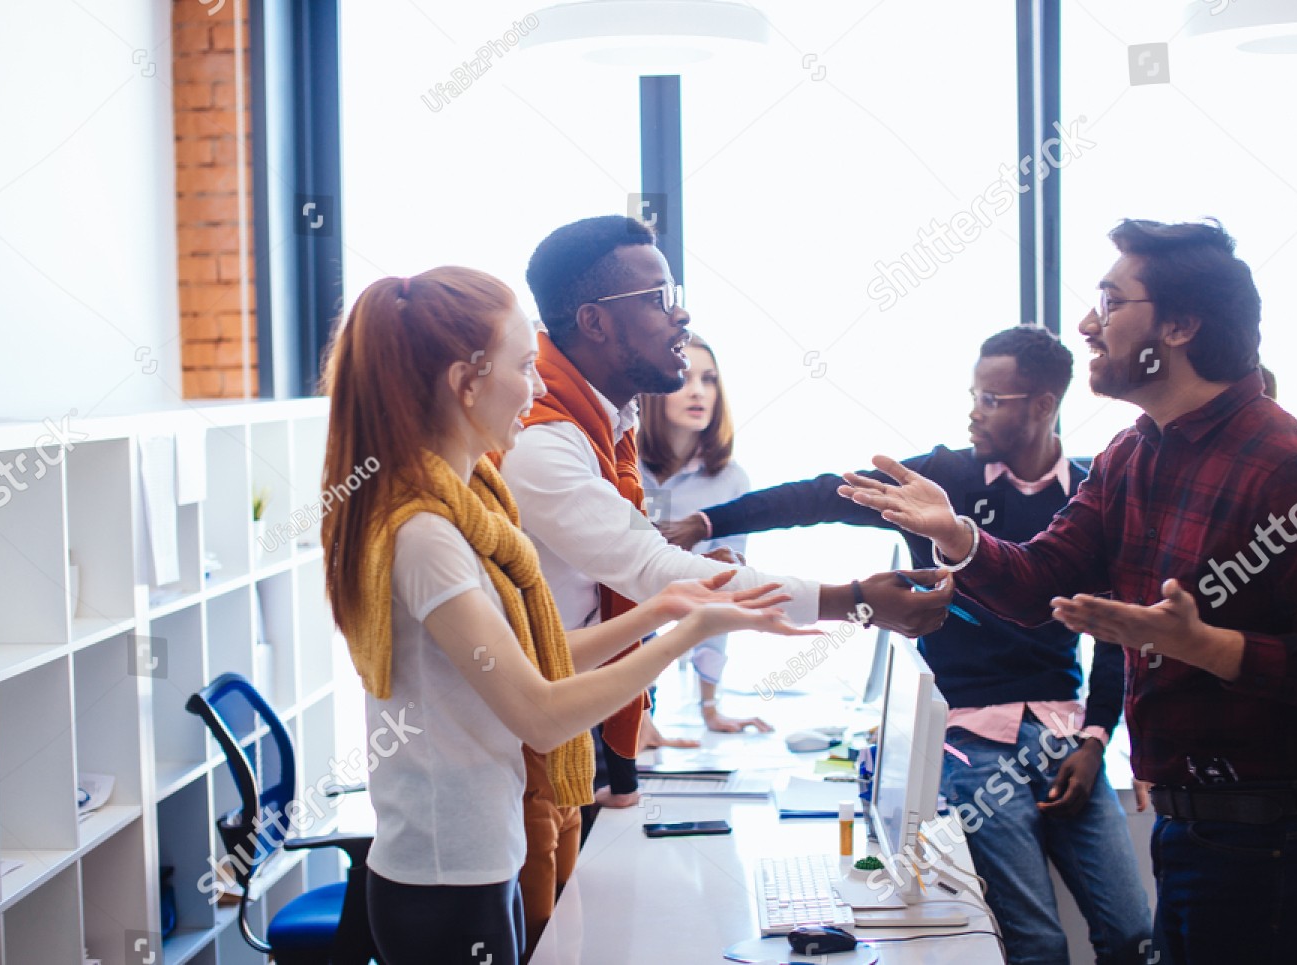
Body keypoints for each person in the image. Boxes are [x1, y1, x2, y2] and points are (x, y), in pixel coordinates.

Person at [839, 219, 1297, 965]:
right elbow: (1042, 580)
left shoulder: (1296, 471)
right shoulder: (1135, 451)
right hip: (1191, 827)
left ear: (1180, 325)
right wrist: (960, 537)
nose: (1087, 323)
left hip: (1281, 841)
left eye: (1109, 298)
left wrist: (1206, 646)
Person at [318, 269, 816, 965]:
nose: (539, 386)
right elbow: (541, 711)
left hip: (470, 864)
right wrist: (684, 633)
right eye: (525, 366)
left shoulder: (465, 511)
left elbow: (528, 660)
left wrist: (666, 606)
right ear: (467, 382)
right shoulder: (426, 534)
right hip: (445, 880)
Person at [500, 214, 953, 954]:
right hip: (531, 749)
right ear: (595, 322)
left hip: (571, 735)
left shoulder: (595, 427)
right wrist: (853, 600)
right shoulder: (546, 440)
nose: (680, 312)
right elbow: (657, 571)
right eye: (658, 295)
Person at [662, 325, 1152, 964]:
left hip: (1065, 737)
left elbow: (1114, 632)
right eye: (974, 394)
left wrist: (1096, 739)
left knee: (1134, 935)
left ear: (1043, 405)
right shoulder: (941, 480)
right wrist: (707, 521)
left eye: (992, 400)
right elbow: (819, 497)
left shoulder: (1088, 494)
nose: (974, 411)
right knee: (1037, 943)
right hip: (970, 739)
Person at [639, 333, 770, 733]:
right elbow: (620, 590)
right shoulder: (624, 468)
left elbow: (722, 593)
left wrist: (709, 709)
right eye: (685, 377)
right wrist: (638, 715)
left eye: (709, 380)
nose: (698, 392)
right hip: (617, 662)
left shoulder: (731, 481)